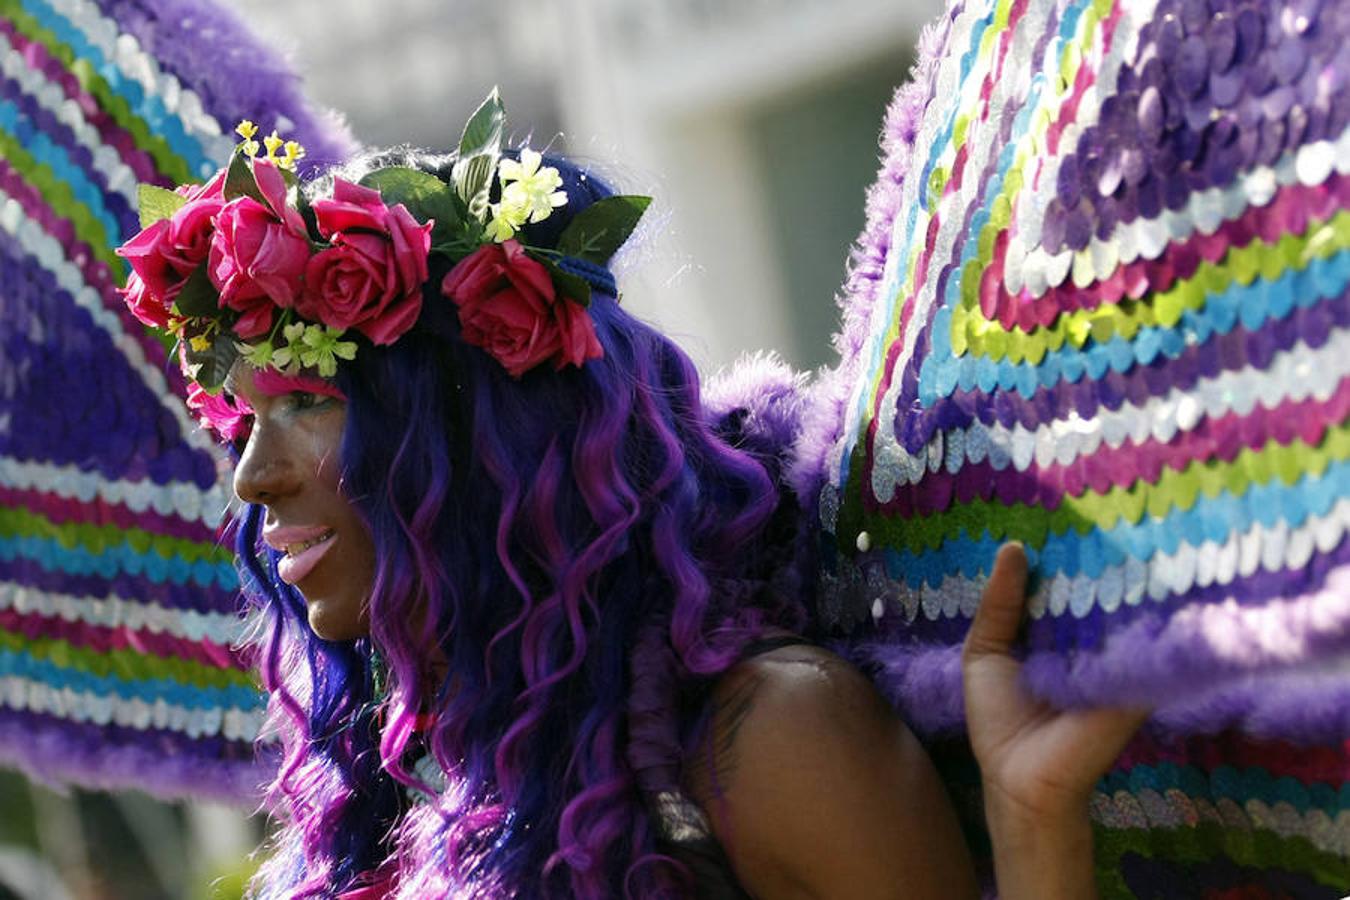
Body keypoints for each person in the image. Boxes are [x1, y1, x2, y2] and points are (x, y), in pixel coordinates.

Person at [116, 99, 1145, 899]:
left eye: (306, 401)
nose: (252, 476)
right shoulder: (397, 781)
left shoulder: (772, 739)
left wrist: (1035, 830)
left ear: (484, 430)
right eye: (240, 419)